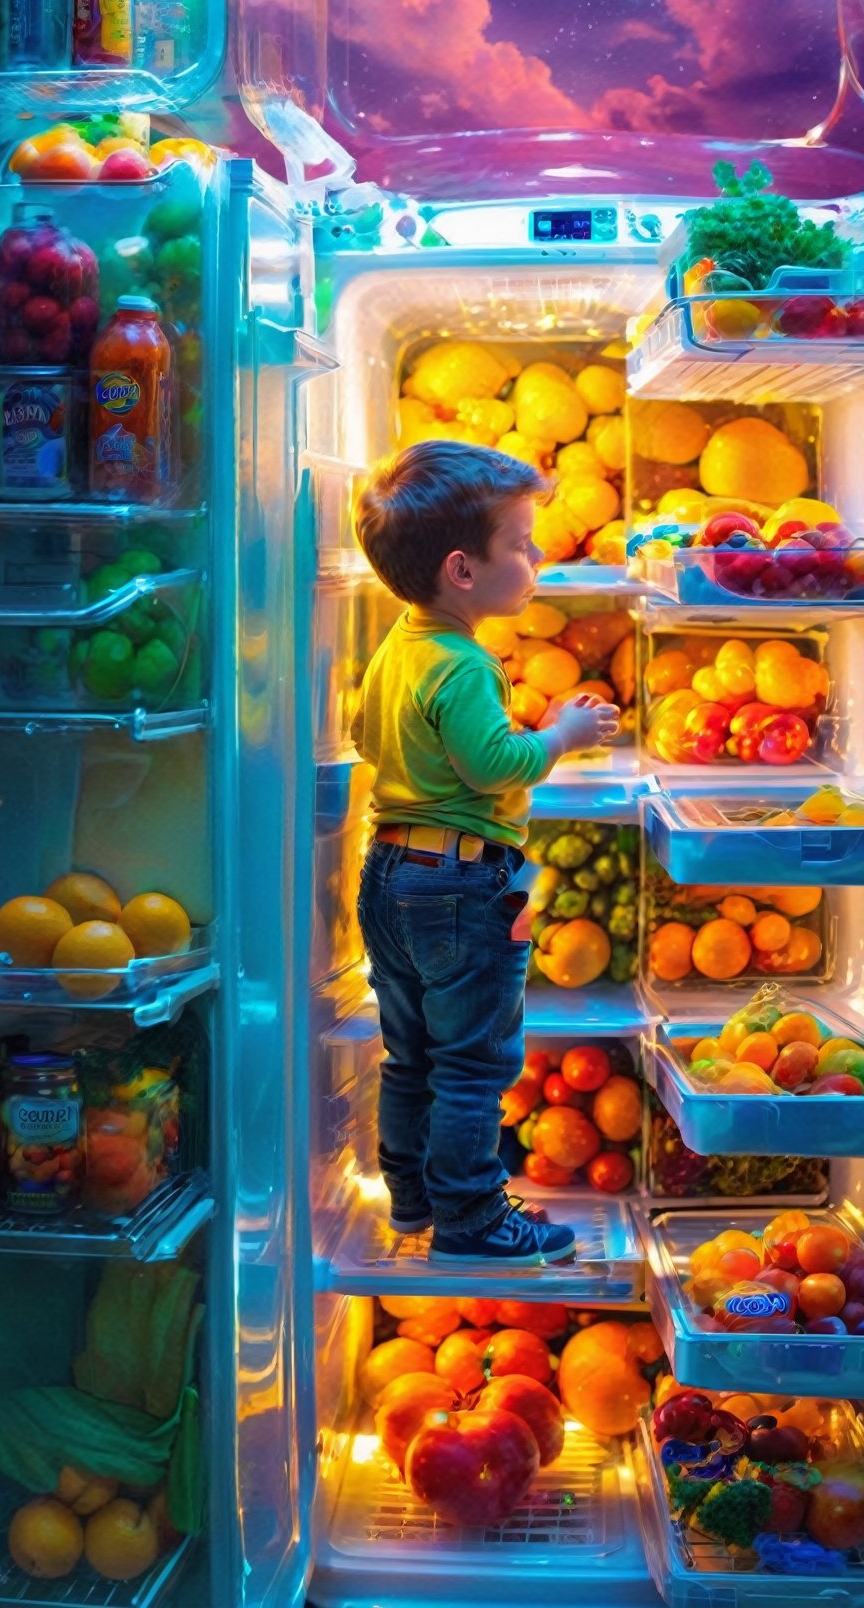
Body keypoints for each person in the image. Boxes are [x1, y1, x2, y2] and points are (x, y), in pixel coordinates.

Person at [352, 440, 620, 1265]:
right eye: (524, 545)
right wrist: (558, 736)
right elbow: (496, 765)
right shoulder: (465, 666)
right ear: (463, 571)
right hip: (464, 882)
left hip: (392, 871)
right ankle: (470, 1219)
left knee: (413, 1055)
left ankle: (413, 1197)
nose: (539, 555)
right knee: (475, 1061)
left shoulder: (402, 644)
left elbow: (365, 735)